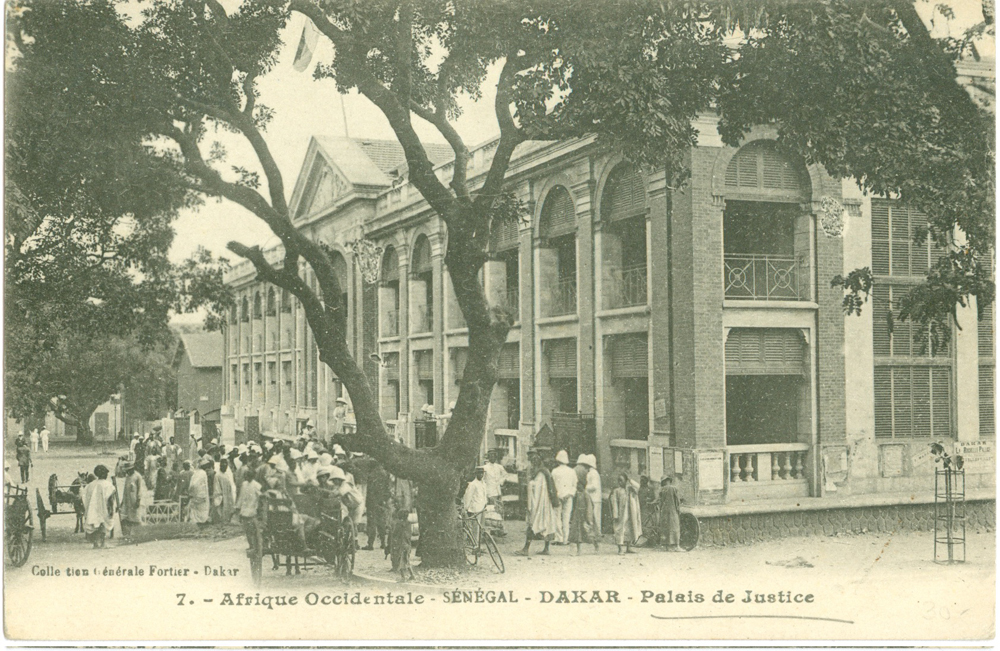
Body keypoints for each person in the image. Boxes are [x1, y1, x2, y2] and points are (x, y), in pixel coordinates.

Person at [516, 453, 558, 557]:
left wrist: (530, 484)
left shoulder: (541, 474)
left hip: (540, 503)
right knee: (547, 524)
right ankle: (546, 548)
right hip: (545, 503)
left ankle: (526, 549)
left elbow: (538, 490)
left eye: (533, 462)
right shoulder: (544, 472)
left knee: (533, 523)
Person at [568, 454, 598, 555]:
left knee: (578, 531)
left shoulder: (574, 470)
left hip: (578, 513)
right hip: (582, 512)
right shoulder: (586, 471)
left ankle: (580, 549)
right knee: (586, 530)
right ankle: (593, 546)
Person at [82, 465, 117, 548]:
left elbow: (84, 497)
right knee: (103, 523)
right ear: (104, 474)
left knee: (94, 523)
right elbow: (110, 498)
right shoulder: (108, 485)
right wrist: (111, 509)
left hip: (92, 508)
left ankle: (95, 543)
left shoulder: (90, 485)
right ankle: (103, 543)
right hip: (104, 507)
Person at [610, 472, 642, 555]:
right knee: (620, 530)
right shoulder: (616, 491)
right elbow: (614, 503)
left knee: (629, 529)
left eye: (622, 480)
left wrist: (629, 480)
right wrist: (615, 515)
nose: (620, 482)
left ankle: (628, 547)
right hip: (620, 515)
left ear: (625, 481)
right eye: (619, 481)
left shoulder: (630, 489)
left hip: (630, 513)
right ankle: (620, 549)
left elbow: (638, 486)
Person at [550, 450, 577, 545]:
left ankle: (559, 537)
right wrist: (570, 493)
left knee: (557, 517)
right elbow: (574, 485)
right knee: (566, 517)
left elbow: (552, 485)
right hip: (569, 496)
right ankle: (566, 538)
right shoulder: (572, 471)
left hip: (558, 496)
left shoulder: (554, 471)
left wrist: (556, 495)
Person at [363, 462, 391, 551]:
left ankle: (370, 544)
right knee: (381, 522)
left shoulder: (371, 475)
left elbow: (370, 491)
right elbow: (387, 488)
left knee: (371, 523)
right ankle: (383, 543)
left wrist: (367, 503)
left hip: (372, 502)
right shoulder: (385, 473)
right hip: (382, 501)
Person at [234, 469, 262, 557]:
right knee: (247, 530)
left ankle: (255, 547)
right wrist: (238, 508)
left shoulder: (257, 485)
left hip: (253, 510)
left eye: (248, 476)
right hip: (244, 510)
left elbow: (261, 497)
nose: (246, 477)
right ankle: (251, 545)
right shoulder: (244, 484)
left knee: (253, 530)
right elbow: (241, 497)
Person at [482, 450, 508, 536]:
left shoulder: (499, 467)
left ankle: (499, 529)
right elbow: (483, 480)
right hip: (489, 491)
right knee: (490, 511)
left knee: (499, 510)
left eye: (494, 456)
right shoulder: (485, 468)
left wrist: (501, 482)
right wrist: (486, 492)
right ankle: (489, 531)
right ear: (488, 457)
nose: (492, 458)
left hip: (497, 491)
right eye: (491, 456)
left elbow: (505, 475)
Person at [388, 508, 415, 582]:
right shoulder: (409, 523)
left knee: (400, 561)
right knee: (406, 560)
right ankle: (412, 575)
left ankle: (403, 577)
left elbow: (395, 533)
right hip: (407, 544)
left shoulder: (399, 524)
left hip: (400, 544)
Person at [120, 461, 144, 540]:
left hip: (135, 500)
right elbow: (125, 491)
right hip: (128, 501)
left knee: (136, 517)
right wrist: (122, 501)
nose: (128, 472)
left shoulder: (137, 476)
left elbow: (140, 489)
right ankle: (129, 534)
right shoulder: (127, 477)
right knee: (128, 517)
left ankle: (139, 534)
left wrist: (138, 500)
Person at [658, 475, 682, 551]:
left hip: (664, 511)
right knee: (675, 527)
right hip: (672, 510)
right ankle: (677, 546)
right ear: (668, 481)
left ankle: (667, 546)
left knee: (665, 527)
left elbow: (660, 502)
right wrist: (678, 509)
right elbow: (677, 501)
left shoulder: (662, 490)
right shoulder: (673, 488)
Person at [188, 457, 212, 526]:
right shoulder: (202, 473)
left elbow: (192, 485)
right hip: (201, 496)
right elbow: (194, 484)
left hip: (197, 496)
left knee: (197, 514)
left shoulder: (196, 473)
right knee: (202, 513)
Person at [585, 454, 603, 538]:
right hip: (594, 498)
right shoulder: (593, 473)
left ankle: (597, 533)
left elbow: (594, 486)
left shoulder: (593, 473)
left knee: (595, 516)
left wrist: (585, 488)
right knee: (594, 516)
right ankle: (595, 533)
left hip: (594, 498)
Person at [215, 458, 237, 523]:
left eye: (226, 465)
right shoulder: (217, 475)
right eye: (223, 465)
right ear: (220, 466)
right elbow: (217, 487)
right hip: (221, 495)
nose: (224, 467)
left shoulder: (227, 475)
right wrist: (220, 496)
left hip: (228, 495)